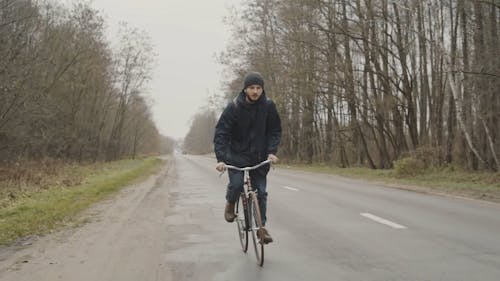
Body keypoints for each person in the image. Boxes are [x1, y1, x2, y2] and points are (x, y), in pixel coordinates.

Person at [214, 71, 281, 244]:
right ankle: (230, 203)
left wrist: (272, 152)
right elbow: (221, 133)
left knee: (261, 192)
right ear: (245, 89)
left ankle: (261, 228)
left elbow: (275, 131)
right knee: (236, 185)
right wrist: (221, 159)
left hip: (259, 157)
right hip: (236, 156)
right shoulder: (234, 107)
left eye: (258, 88)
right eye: (252, 87)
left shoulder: (268, 106)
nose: (255, 91)